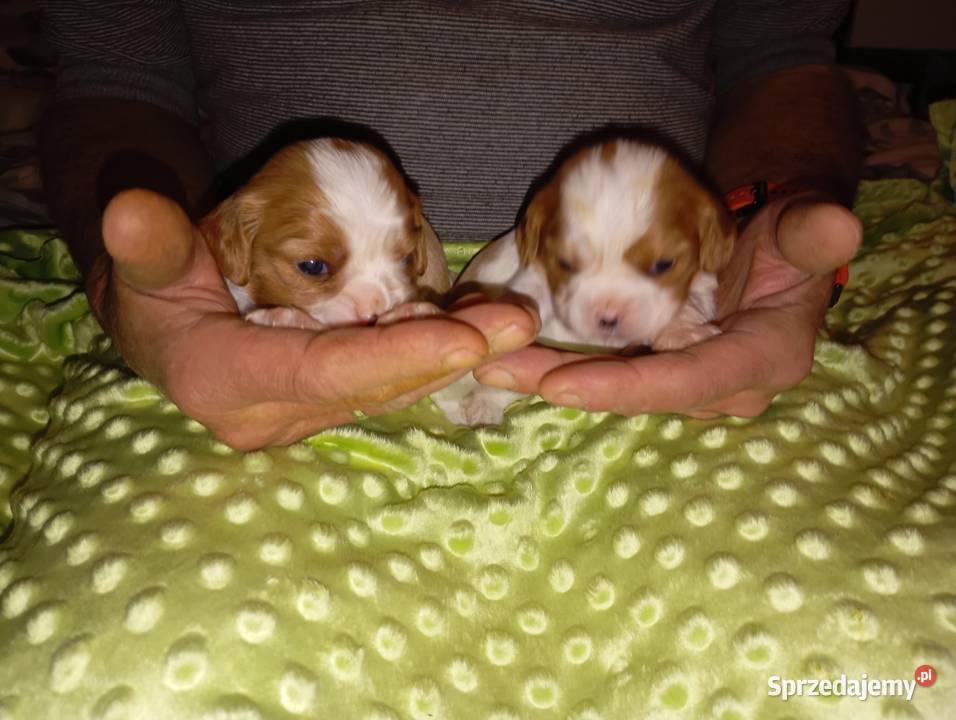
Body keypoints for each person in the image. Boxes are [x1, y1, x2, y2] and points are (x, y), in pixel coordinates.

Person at [37, 1, 863, 449]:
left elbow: (783, 53)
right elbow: (114, 78)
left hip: (717, 339)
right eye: (317, 267)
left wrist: (769, 213)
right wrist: (143, 285)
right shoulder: (239, 237)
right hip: (229, 370)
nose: (375, 304)